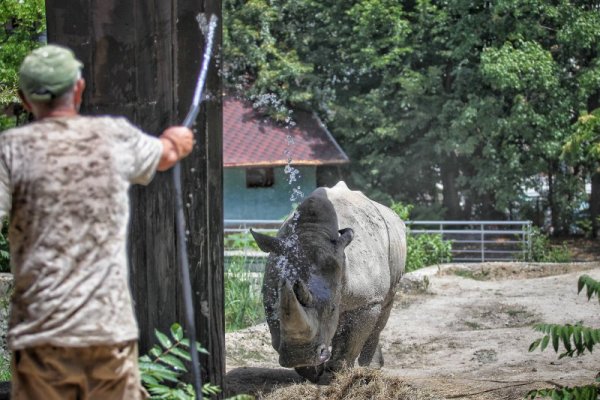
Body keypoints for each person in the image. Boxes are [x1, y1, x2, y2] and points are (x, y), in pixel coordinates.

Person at [0, 44, 194, 400]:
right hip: (106, 333)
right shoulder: (114, 136)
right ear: (78, 89)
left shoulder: (10, 150)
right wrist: (176, 140)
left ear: (26, 101)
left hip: (39, 339)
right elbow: (166, 156)